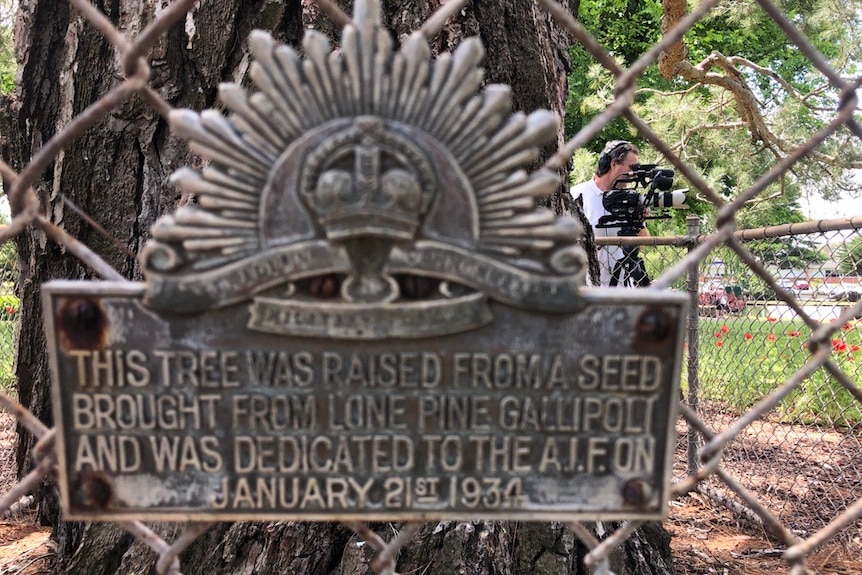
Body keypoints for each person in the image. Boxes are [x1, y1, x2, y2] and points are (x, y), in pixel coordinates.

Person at [570, 140, 650, 287]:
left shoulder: (629, 199)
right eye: (632, 167)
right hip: (587, 287)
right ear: (613, 164)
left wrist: (639, 221)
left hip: (622, 289)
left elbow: (640, 246)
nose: (634, 174)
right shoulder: (577, 195)